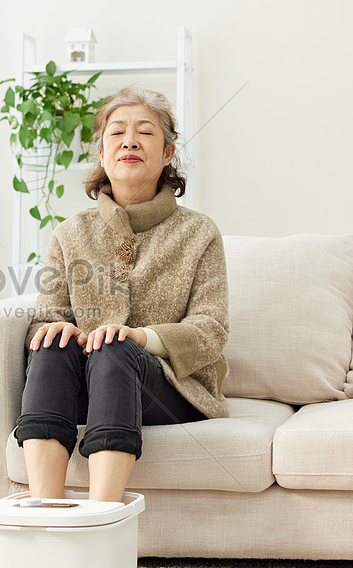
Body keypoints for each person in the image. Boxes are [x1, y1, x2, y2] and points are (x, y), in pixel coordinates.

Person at [13, 86, 230, 503]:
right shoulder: (70, 232)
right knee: (52, 345)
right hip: (86, 388)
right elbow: (46, 317)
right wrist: (58, 327)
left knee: (115, 348)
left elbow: (211, 329)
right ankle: (46, 511)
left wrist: (141, 338)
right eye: (117, 133)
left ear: (168, 153)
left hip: (169, 389)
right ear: (101, 153)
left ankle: (101, 517)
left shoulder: (199, 232)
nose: (129, 140)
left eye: (145, 132)